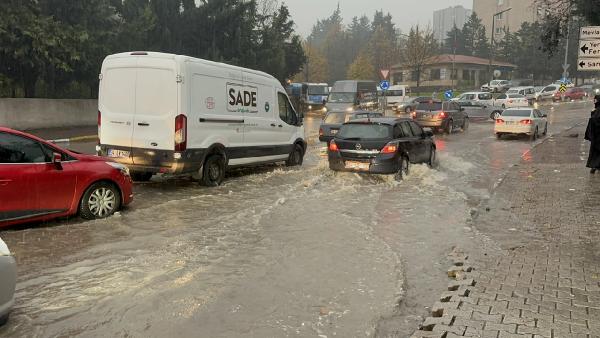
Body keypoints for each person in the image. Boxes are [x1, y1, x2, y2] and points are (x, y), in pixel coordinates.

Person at [585, 95, 600, 173]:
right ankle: (595, 166)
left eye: (595, 100)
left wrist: (593, 114)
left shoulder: (598, 110)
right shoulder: (597, 109)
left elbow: (595, 120)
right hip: (596, 136)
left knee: (597, 151)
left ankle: (595, 166)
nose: (594, 102)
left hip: (597, 136)